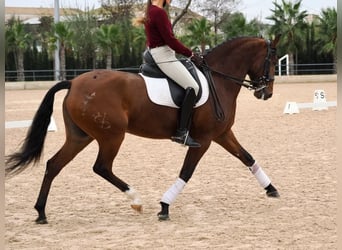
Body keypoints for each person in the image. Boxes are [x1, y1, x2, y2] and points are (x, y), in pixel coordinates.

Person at [135, 0, 202, 148]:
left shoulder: (151, 11)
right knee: (193, 87)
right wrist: (190, 54)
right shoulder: (159, 13)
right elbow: (170, 40)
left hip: (160, 52)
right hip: (163, 55)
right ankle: (181, 132)